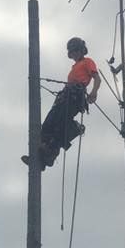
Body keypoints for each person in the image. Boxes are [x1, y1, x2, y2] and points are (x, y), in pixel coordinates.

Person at [22, 37, 100, 171]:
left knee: (59, 124)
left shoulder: (88, 62)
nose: (74, 54)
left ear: (81, 50)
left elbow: (97, 78)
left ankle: (51, 152)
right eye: (72, 52)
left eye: (76, 51)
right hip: (65, 97)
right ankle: (41, 159)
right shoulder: (74, 67)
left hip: (74, 97)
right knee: (48, 124)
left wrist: (94, 92)